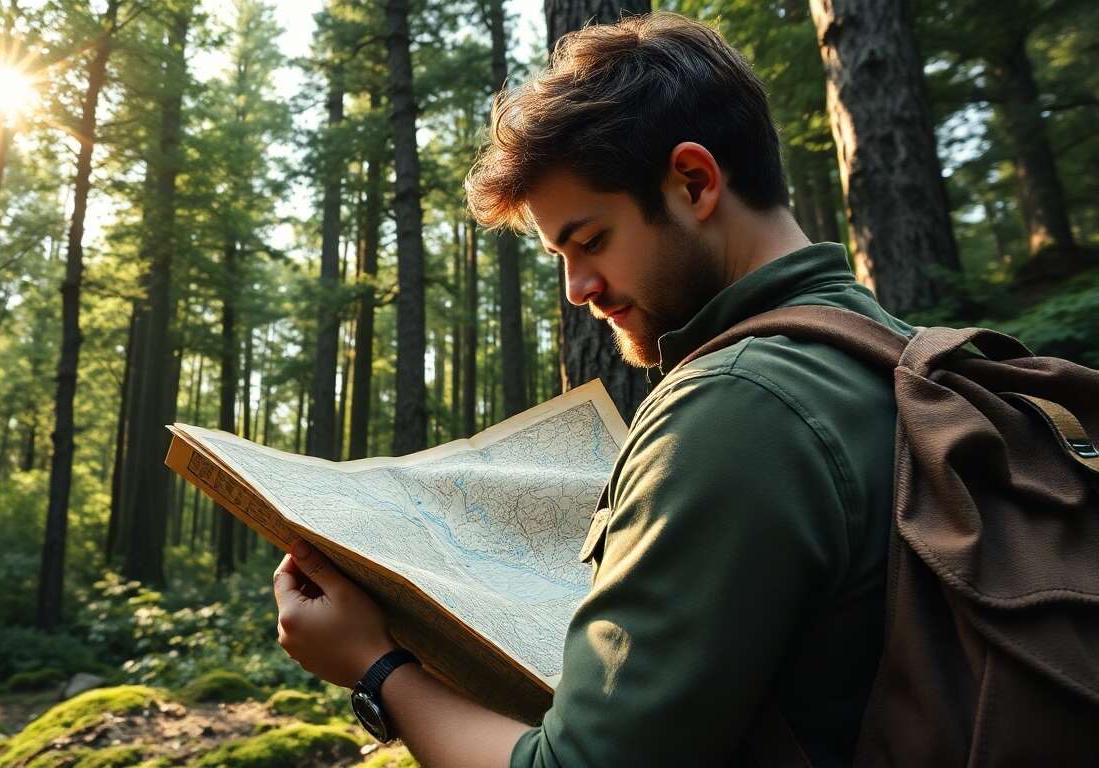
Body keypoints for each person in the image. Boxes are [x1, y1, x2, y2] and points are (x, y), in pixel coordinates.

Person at [273, 12, 907, 767]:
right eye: (558, 256)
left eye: (590, 240)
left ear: (695, 181)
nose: (577, 289)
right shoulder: (887, 351)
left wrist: (375, 668)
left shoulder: (738, 408)